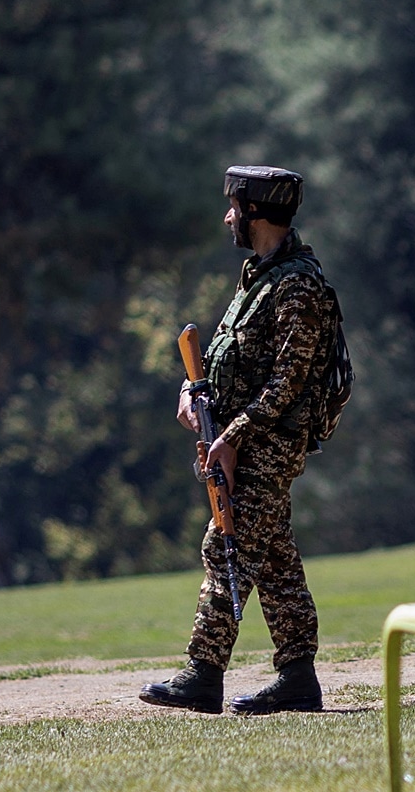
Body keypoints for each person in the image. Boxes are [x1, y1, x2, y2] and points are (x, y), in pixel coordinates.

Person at [141, 166, 339, 714]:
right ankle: (298, 677)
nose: (228, 218)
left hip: (269, 445)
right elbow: (229, 356)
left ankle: (203, 674)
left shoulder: (297, 284)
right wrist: (193, 390)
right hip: (239, 441)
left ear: (255, 213)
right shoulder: (259, 277)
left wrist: (231, 437)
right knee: (273, 559)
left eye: (234, 208)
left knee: (224, 544)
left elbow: (289, 381)